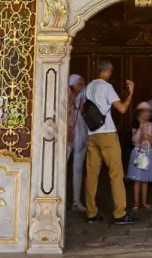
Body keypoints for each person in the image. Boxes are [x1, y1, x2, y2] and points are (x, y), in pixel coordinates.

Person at [83, 60, 137, 225]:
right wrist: (131, 94)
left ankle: (91, 213)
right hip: (106, 133)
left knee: (92, 175)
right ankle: (120, 213)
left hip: (92, 133)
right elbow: (121, 108)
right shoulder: (106, 87)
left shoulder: (88, 87)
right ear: (109, 70)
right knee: (116, 173)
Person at [127, 102, 152, 212]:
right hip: (138, 153)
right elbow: (134, 140)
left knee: (145, 180)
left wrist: (149, 138)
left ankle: (144, 202)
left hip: (148, 153)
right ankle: (136, 203)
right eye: (145, 111)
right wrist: (140, 127)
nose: (147, 114)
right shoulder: (135, 125)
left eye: (148, 111)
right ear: (140, 113)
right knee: (137, 180)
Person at [66, 74, 87, 211]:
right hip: (67, 134)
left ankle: (76, 201)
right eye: (78, 84)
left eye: (82, 84)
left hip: (80, 133)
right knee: (62, 168)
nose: (81, 87)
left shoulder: (82, 97)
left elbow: (82, 113)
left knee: (77, 170)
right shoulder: (65, 95)